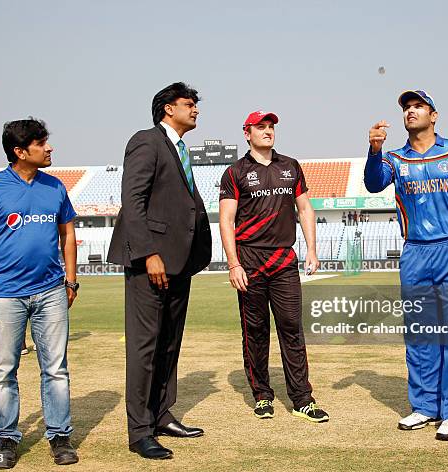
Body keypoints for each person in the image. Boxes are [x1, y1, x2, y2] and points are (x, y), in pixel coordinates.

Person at [365, 90, 448, 440]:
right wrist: (375, 150)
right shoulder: (395, 158)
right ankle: (425, 406)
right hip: (414, 253)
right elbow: (373, 184)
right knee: (420, 333)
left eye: (417, 106)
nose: (410, 112)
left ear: (434, 115)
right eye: (406, 108)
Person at [0, 118, 79, 468]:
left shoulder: (55, 188)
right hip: (5, 294)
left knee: (56, 368)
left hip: (51, 291)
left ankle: (59, 436)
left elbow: (67, 235)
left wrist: (71, 281)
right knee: (4, 370)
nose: (50, 148)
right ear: (20, 151)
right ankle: (7, 439)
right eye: (42, 143)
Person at [107, 82, 212, 460]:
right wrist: (149, 253)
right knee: (145, 347)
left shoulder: (180, 148)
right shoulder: (146, 141)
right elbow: (132, 201)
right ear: (168, 109)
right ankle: (139, 431)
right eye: (189, 104)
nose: (196, 109)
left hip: (179, 263)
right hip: (150, 263)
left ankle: (162, 415)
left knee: (169, 343)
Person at [219, 110, 329, 423]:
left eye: (271, 127)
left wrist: (312, 249)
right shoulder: (235, 172)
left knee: (292, 329)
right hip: (250, 261)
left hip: (283, 260)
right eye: (261, 127)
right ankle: (262, 395)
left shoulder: (290, 166)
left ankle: (302, 399)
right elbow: (226, 220)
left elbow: (305, 208)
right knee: (255, 332)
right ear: (247, 133)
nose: (268, 131)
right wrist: (233, 264)